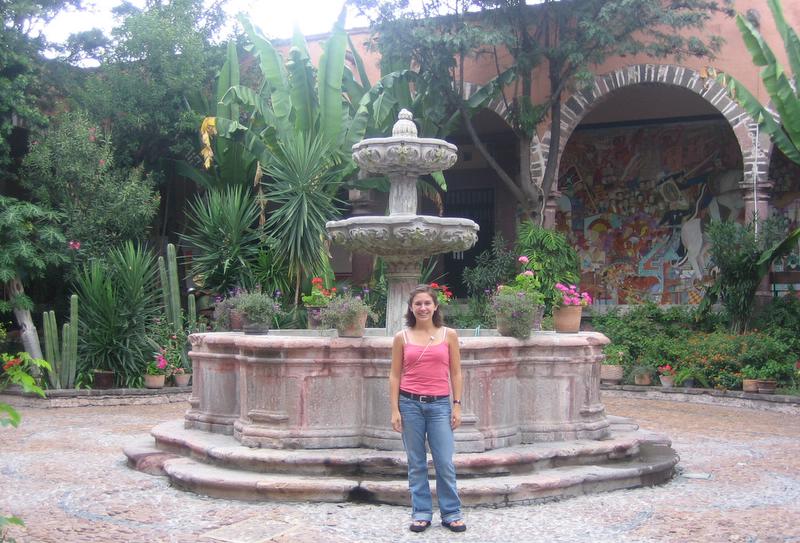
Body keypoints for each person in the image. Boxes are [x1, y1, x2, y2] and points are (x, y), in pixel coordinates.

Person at [389, 284, 466, 533]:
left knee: (444, 462)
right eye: (418, 304)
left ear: (435, 306)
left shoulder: (448, 335)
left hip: (440, 405)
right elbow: (394, 375)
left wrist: (457, 405)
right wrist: (394, 410)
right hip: (409, 404)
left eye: (427, 303)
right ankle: (421, 512)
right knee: (416, 462)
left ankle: (451, 512)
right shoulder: (402, 337)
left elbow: (456, 372)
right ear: (411, 308)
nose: (423, 308)